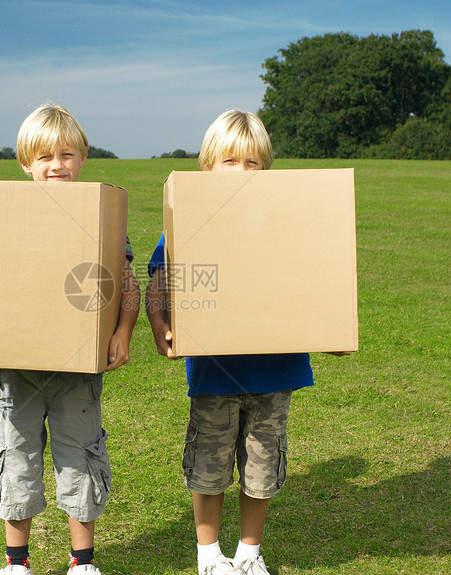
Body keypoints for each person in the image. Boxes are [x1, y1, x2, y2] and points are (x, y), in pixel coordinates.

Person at [145, 110, 349, 575]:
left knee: (261, 466)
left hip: (275, 371)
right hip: (214, 371)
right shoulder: (190, 219)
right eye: (230, 161)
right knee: (209, 465)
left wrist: (333, 329)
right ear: (208, 166)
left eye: (252, 163)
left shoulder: (285, 219)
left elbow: (319, 273)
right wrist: (159, 323)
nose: (241, 171)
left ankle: (249, 554)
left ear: (267, 169)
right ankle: (209, 557)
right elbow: (161, 274)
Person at [0, 104, 140, 575]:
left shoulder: (101, 214)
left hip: (79, 371)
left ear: (83, 159)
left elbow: (127, 281)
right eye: (44, 156)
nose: (57, 164)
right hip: (18, 372)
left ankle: (82, 562)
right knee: (17, 457)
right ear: (25, 163)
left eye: (67, 154)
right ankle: (17, 563)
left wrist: (121, 332)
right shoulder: (4, 218)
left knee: (80, 456)